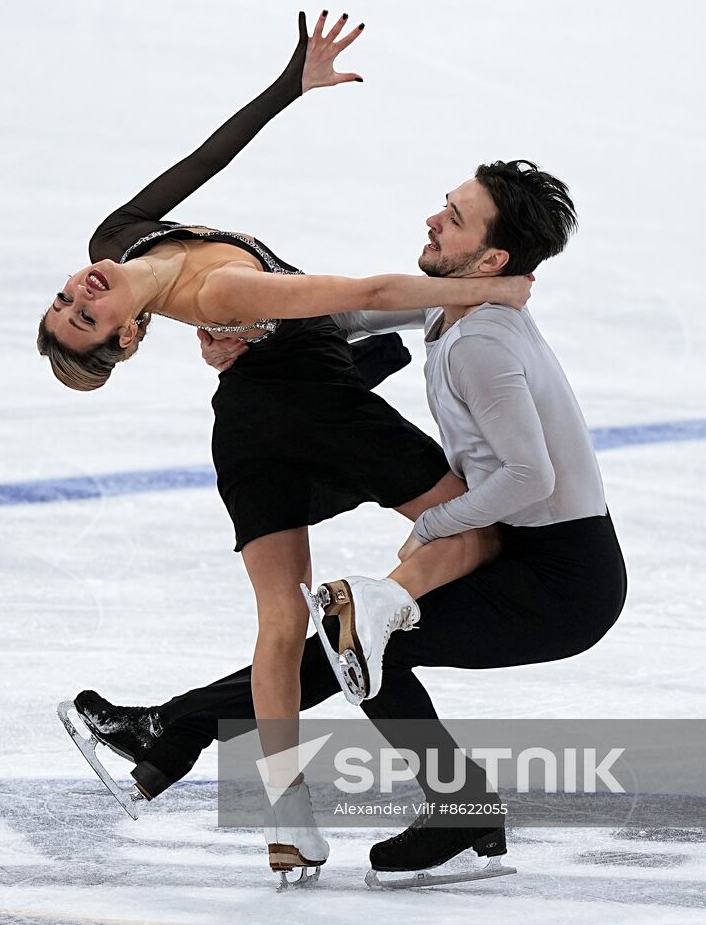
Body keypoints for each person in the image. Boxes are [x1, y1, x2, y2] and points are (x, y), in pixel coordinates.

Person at [40, 12, 531, 880]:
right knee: (473, 533)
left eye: (67, 299)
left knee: (278, 621)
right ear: (126, 340)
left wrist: (288, 85)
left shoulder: (116, 240)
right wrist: (500, 285)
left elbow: (204, 157)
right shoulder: (220, 288)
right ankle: (384, 625)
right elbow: (367, 288)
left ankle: (289, 822)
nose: (84, 290)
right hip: (316, 404)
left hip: (249, 422)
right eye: (88, 319)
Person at [75, 159, 628, 882]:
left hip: (563, 581)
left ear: (492, 260)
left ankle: (459, 809)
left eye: (454, 219)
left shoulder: (486, 343)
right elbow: (348, 313)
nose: (434, 219)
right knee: (353, 643)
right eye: (445, 205)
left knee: (370, 645)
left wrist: (434, 526)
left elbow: (529, 479)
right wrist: (249, 329)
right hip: (532, 551)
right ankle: (174, 730)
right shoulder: (451, 307)